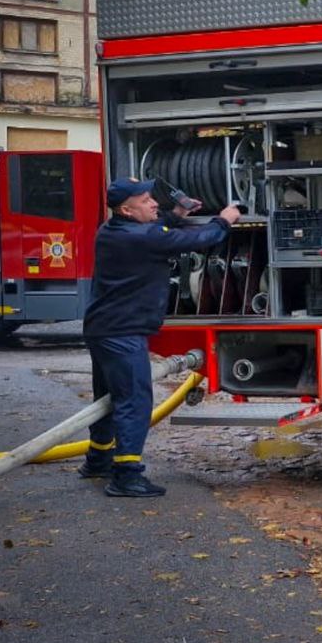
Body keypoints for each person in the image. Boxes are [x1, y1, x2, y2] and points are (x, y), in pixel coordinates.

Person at [80, 177, 241, 497]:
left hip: (103, 329)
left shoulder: (110, 231)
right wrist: (224, 220)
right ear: (127, 209)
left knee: (107, 399)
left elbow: (155, 231)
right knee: (135, 401)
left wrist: (176, 212)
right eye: (145, 200)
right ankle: (126, 476)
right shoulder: (143, 237)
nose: (154, 203)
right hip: (123, 333)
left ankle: (98, 459)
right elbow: (201, 239)